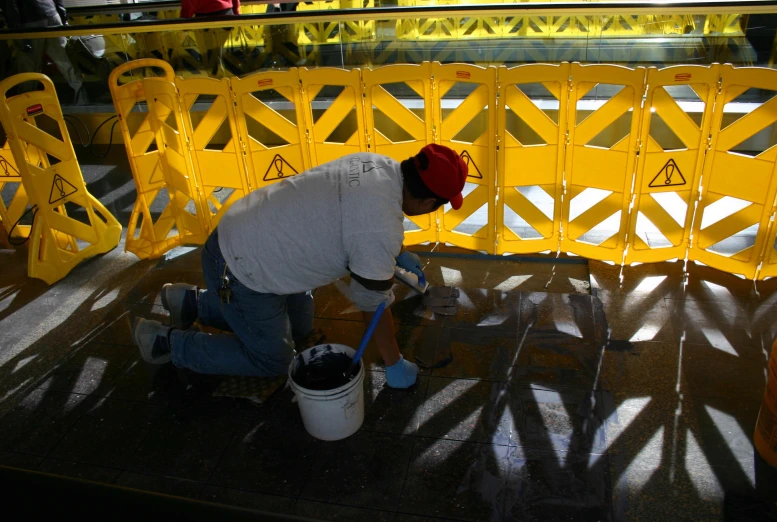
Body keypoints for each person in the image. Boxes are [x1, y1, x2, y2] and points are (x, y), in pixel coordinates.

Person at [133, 144, 468, 389]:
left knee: (300, 325)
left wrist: (395, 255)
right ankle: (166, 342)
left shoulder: (375, 164)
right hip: (240, 269)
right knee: (273, 360)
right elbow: (373, 306)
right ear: (426, 202)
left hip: (244, 233)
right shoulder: (378, 228)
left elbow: (360, 220)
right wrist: (394, 364)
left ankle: (191, 302)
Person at [2, 0, 88, 104]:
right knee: (65, 60)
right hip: (52, 15)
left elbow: (10, 5)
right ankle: (82, 98)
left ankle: (26, 104)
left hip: (29, 20)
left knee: (29, 66)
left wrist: (17, 32)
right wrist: (63, 18)